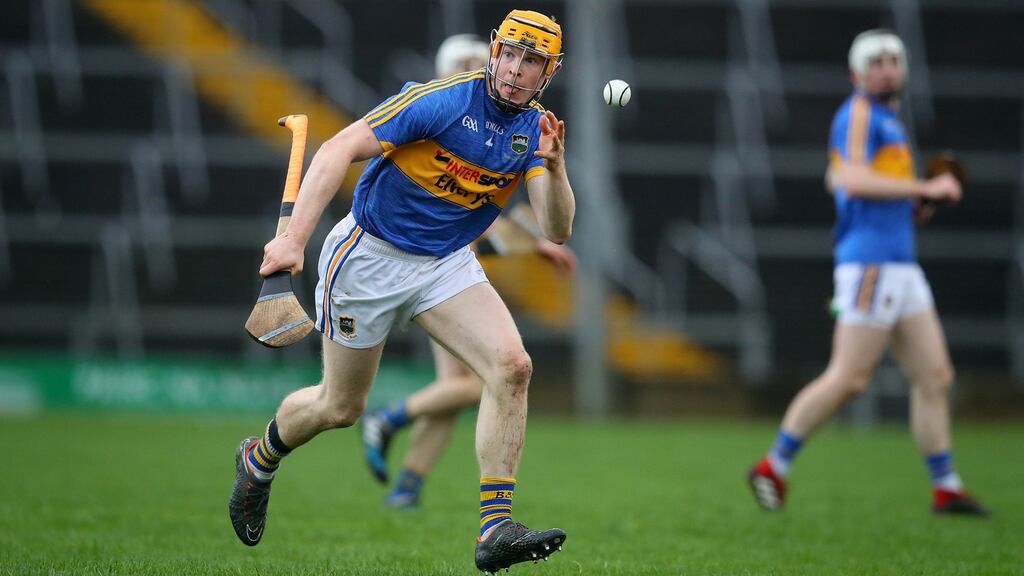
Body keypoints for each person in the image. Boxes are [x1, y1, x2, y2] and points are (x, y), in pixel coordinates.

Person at [228, 10, 575, 573]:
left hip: (444, 264)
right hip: (370, 258)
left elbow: (557, 227)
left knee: (512, 365)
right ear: (494, 50)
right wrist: (293, 240)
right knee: (339, 407)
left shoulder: (536, 131)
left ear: (549, 71)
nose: (514, 70)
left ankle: (495, 528)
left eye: (531, 60)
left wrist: (555, 169)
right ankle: (259, 458)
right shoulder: (440, 100)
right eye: (509, 53)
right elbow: (337, 148)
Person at [747, 29, 987, 516]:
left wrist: (912, 202)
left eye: (893, 60)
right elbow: (851, 179)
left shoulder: (888, 120)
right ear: (856, 73)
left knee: (935, 375)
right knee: (850, 378)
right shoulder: (858, 112)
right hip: (871, 264)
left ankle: (947, 487)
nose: (886, 69)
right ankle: (773, 465)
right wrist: (929, 187)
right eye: (875, 61)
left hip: (900, 263)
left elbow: (849, 179)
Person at [360, 33, 578, 510]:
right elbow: (465, 217)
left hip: (452, 271)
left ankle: (408, 486)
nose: (506, 73)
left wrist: (537, 243)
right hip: (419, 263)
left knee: (468, 385)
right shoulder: (437, 113)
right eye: (468, 62)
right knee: (472, 383)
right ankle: (388, 418)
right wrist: (531, 245)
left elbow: (495, 214)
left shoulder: (503, 129)